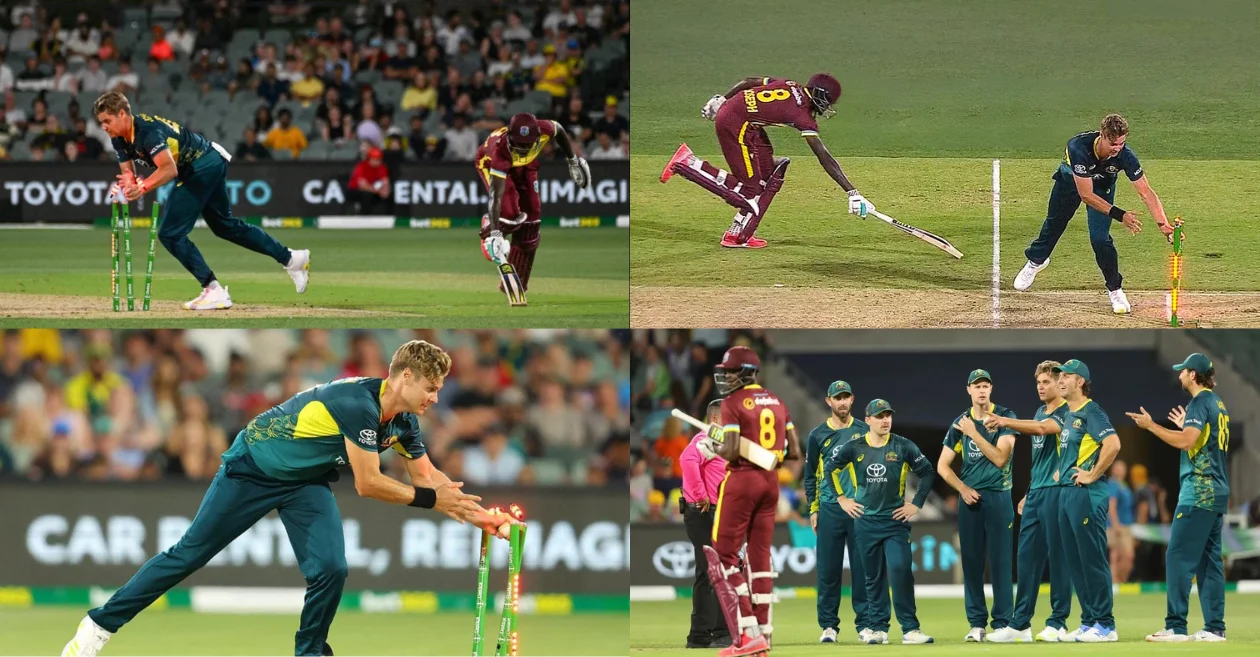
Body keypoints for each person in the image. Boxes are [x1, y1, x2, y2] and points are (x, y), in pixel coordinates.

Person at [61, 340, 518, 657]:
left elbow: (431, 479)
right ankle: (98, 626)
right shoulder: (356, 403)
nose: (436, 398)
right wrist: (431, 501)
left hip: (306, 482)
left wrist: (482, 517)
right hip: (253, 467)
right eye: (431, 388)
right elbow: (368, 483)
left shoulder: (402, 423)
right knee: (187, 555)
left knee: (332, 568)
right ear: (404, 377)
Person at [93, 92, 310, 310]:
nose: (104, 127)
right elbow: (127, 169)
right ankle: (292, 258)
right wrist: (130, 183)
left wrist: (142, 187)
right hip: (209, 160)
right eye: (101, 122)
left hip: (200, 165)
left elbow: (168, 169)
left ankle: (213, 289)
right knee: (225, 226)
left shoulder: (148, 133)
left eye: (107, 121)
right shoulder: (118, 137)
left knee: (171, 233)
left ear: (122, 114)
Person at [660, 73, 873, 249]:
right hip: (734, 125)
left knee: (769, 171)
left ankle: (738, 234)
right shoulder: (802, 116)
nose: (826, 108)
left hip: (746, 122)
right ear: (818, 94)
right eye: (826, 102)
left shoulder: (789, 85)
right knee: (749, 190)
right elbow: (823, 155)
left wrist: (722, 100)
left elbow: (749, 81)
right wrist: (851, 192)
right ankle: (688, 163)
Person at [995, 359, 1119, 641]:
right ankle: (1089, 621)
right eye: (1058, 377)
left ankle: (1106, 624)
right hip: (1065, 493)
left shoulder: (1090, 411)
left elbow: (1113, 443)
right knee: (1077, 561)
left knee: (1091, 560)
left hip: (1087, 493)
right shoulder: (1069, 416)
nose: (1061, 381)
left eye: (1066, 377)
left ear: (1081, 382)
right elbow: (1054, 458)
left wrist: (1092, 473)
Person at [1013, 114, 1176, 314]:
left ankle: (1115, 289)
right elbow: (1086, 195)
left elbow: (1146, 191)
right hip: (1070, 183)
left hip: (1102, 189)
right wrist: (1120, 215)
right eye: (1114, 144)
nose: (1118, 148)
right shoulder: (1078, 147)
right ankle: (1036, 261)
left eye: (1122, 143)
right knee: (1054, 224)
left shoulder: (1125, 155)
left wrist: (1163, 225)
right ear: (1103, 136)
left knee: (1100, 239)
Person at [700, 345, 800, 657]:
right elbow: (794, 451)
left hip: (742, 480)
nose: (726, 377)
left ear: (745, 372)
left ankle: (748, 633)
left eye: (730, 372)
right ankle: (765, 637)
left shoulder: (732, 403)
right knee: (760, 558)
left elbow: (730, 451)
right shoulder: (779, 401)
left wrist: (713, 446)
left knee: (724, 554)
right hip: (771, 483)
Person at [1128, 353, 1230, 642]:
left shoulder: (1199, 402)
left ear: (1194, 375)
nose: (1179, 375)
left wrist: (1151, 427)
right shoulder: (1218, 403)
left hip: (1198, 491)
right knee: (1209, 562)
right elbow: (1200, 441)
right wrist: (1188, 425)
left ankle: (1175, 626)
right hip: (1217, 491)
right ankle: (1214, 628)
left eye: (1183, 371)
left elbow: (1186, 441)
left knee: (1177, 556)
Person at [824, 398, 935, 645]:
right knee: (872, 577)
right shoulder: (854, 447)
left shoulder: (903, 445)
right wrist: (841, 499)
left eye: (888, 415)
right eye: (880, 416)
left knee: (900, 570)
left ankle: (910, 629)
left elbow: (927, 472)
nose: (886, 420)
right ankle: (878, 629)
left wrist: (916, 503)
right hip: (866, 522)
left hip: (895, 521)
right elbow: (829, 468)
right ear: (868, 420)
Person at [986, 361, 1073, 642]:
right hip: (1037, 494)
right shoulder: (1039, 410)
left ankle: (1058, 622)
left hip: (1059, 492)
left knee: (1058, 558)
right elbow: (1040, 460)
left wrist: (1005, 421)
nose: (1040, 387)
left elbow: (1040, 430)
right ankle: (1021, 623)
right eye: (1038, 382)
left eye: (1046, 382)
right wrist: (1028, 492)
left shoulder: (1066, 411)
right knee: (1026, 558)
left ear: (1060, 384)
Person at [937, 369, 1017, 642]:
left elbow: (1000, 459)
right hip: (970, 500)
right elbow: (942, 466)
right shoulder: (959, 424)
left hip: (998, 497)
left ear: (991, 389)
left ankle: (1004, 623)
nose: (981, 391)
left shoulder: (1004, 417)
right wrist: (962, 488)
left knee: (1001, 563)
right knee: (971, 564)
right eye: (976, 386)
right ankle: (976, 624)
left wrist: (975, 433)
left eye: (985, 386)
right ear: (968, 390)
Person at [475, 112, 590, 293]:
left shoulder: (544, 129)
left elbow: (559, 130)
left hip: (526, 167)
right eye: (519, 145)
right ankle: (489, 227)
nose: (522, 149)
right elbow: (495, 196)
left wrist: (572, 161)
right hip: (489, 163)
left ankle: (515, 283)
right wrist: (496, 234)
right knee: (510, 212)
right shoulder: (500, 151)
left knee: (532, 220)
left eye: (527, 145)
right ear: (510, 138)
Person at [804, 380, 870, 643]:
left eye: (846, 397)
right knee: (828, 572)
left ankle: (865, 625)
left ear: (852, 399)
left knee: (863, 571)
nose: (842, 402)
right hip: (830, 508)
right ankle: (829, 626)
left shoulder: (865, 430)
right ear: (828, 401)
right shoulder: (817, 435)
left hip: (861, 510)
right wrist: (813, 508)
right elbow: (810, 476)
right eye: (837, 398)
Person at [678, 399, 731, 649]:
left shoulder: (721, 442)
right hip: (704, 512)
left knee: (722, 572)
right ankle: (699, 636)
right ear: (716, 419)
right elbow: (687, 461)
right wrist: (700, 496)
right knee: (708, 572)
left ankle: (721, 632)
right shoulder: (705, 439)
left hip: (718, 512)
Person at [1107, 459, 1135, 583]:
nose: (1120, 470)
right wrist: (1115, 524)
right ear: (1113, 469)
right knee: (1118, 555)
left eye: (1122, 468)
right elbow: (1111, 505)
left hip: (1127, 524)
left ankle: (1118, 581)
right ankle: (1114, 581)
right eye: (1118, 467)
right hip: (1118, 525)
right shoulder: (1113, 484)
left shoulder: (1123, 484)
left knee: (1123, 556)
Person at [348, 147, 392, 214]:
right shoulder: (361, 166)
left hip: (374, 190)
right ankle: (365, 216)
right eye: (374, 159)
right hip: (356, 190)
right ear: (369, 159)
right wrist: (378, 191)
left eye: (378, 160)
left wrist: (385, 191)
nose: (376, 161)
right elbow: (362, 185)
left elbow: (385, 181)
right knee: (367, 195)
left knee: (389, 195)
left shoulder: (382, 167)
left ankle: (387, 216)